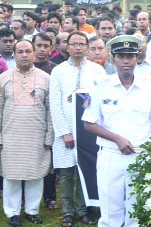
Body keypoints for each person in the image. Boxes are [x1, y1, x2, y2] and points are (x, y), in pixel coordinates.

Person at [82, 35, 151, 227]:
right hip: (111, 156)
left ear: (137, 58)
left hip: (140, 156)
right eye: (121, 56)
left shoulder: (150, 88)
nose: (126, 60)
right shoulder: (102, 86)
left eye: (130, 56)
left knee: (137, 212)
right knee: (110, 212)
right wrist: (117, 139)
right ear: (113, 59)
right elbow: (89, 123)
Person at [49, 32, 106, 227]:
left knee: (85, 169)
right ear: (67, 47)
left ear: (88, 47)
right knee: (65, 173)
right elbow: (54, 104)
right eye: (74, 44)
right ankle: (67, 212)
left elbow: (103, 99)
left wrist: (85, 97)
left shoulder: (97, 71)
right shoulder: (58, 71)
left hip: (88, 131)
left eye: (82, 44)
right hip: (64, 129)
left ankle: (83, 210)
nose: (79, 47)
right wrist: (64, 132)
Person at [0, 40, 53, 227]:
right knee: (11, 175)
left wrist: (49, 136)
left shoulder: (46, 78)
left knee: (35, 175)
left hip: (36, 136)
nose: (24, 55)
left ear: (33, 53)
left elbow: (50, 110)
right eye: (20, 51)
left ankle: (32, 211)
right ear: (14, 54)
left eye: (28, 51)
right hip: (10, 136)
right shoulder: (4, 78)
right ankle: (12, 213)